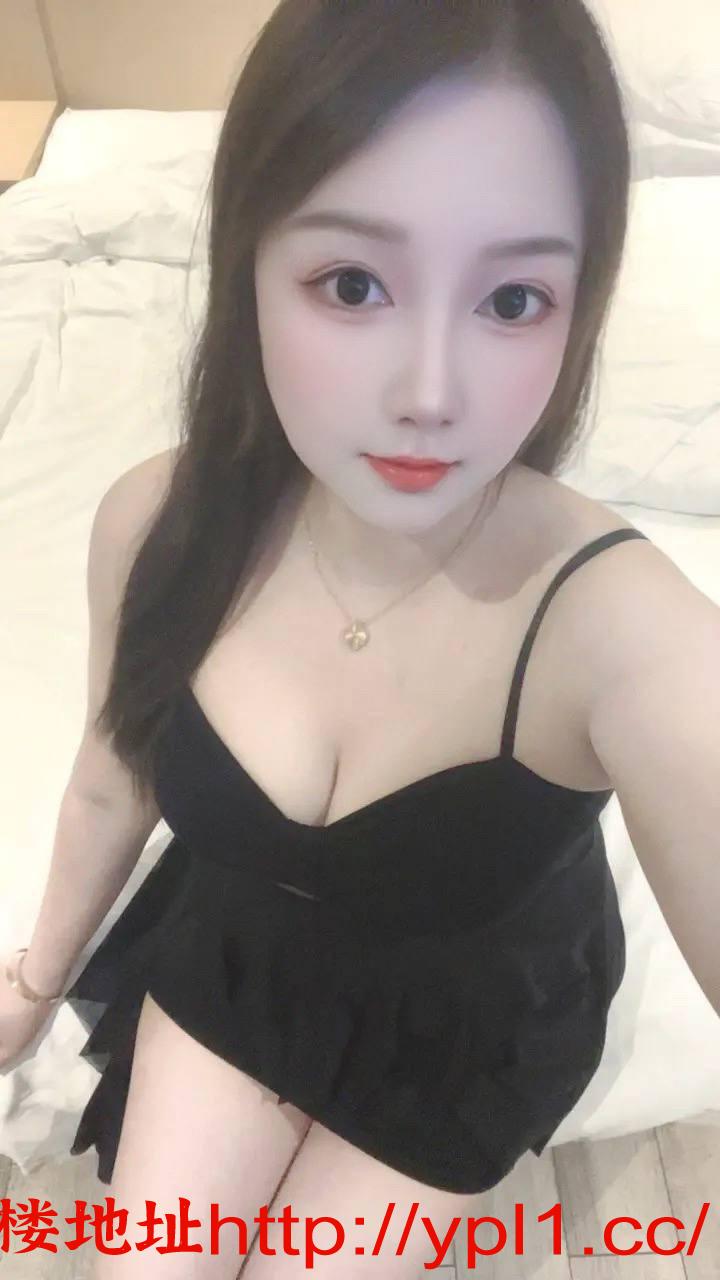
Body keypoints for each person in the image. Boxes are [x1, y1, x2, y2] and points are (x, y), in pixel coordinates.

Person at [1, 1, 661, 1275]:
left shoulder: (612, 617)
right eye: (353, 283)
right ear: (249, 257)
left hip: (466, 1017)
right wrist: (33, 981)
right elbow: (111, 772)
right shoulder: (159, 525)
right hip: (246, 946)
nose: (430, 393)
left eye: (512, 297)